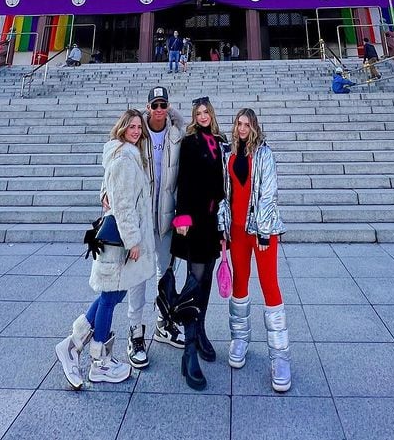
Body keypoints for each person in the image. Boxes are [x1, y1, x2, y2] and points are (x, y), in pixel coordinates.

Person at [55, 109, 154, 388]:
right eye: (131, 126)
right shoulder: (124, 158)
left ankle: (73, 344)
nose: (136, 131)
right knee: (111, 297)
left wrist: (104, 194)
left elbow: (110, 189)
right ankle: (100, 361)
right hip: (121, 242)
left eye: (139, 127)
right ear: (122, 128)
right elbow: (121, 204)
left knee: (112, 294)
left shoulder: (124, 154)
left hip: (120, 239)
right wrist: (133, 240)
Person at [219, 108, 290, 393]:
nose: (242, 128)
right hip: (236, 230)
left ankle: (280, 356)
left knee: (269, 285)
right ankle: (240, 338)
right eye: (239, 123)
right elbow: (225, 193)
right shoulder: (229, 154)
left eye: (247, 124)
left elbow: (269, 194)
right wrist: (222, 226)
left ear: (255, 126)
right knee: (239, 283)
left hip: (261, 231)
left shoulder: (264, 154)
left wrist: (262, 229)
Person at [123, 86, 186, 366]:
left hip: (166, 217)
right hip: (142, 216)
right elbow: (117, 158)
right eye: (155, 104)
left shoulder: (176, 134)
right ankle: (135, 331)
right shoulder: (138, 133)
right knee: (138, 276)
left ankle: (164, 322)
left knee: (166, 274)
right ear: (147, 106)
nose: (159, 109)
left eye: (164, 104)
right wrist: (105, 192)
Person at [171, 96, 227, 391]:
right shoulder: (190, 142)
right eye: (198, 113)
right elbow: (183, 181)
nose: (203, 116)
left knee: (205, 284)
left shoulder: (219, 140)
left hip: (213, 222)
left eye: (207, 112)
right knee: (194, 281)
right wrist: (182, 218)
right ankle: (189, 349)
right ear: (193, 116)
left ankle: (201, 330)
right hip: (194, 221)